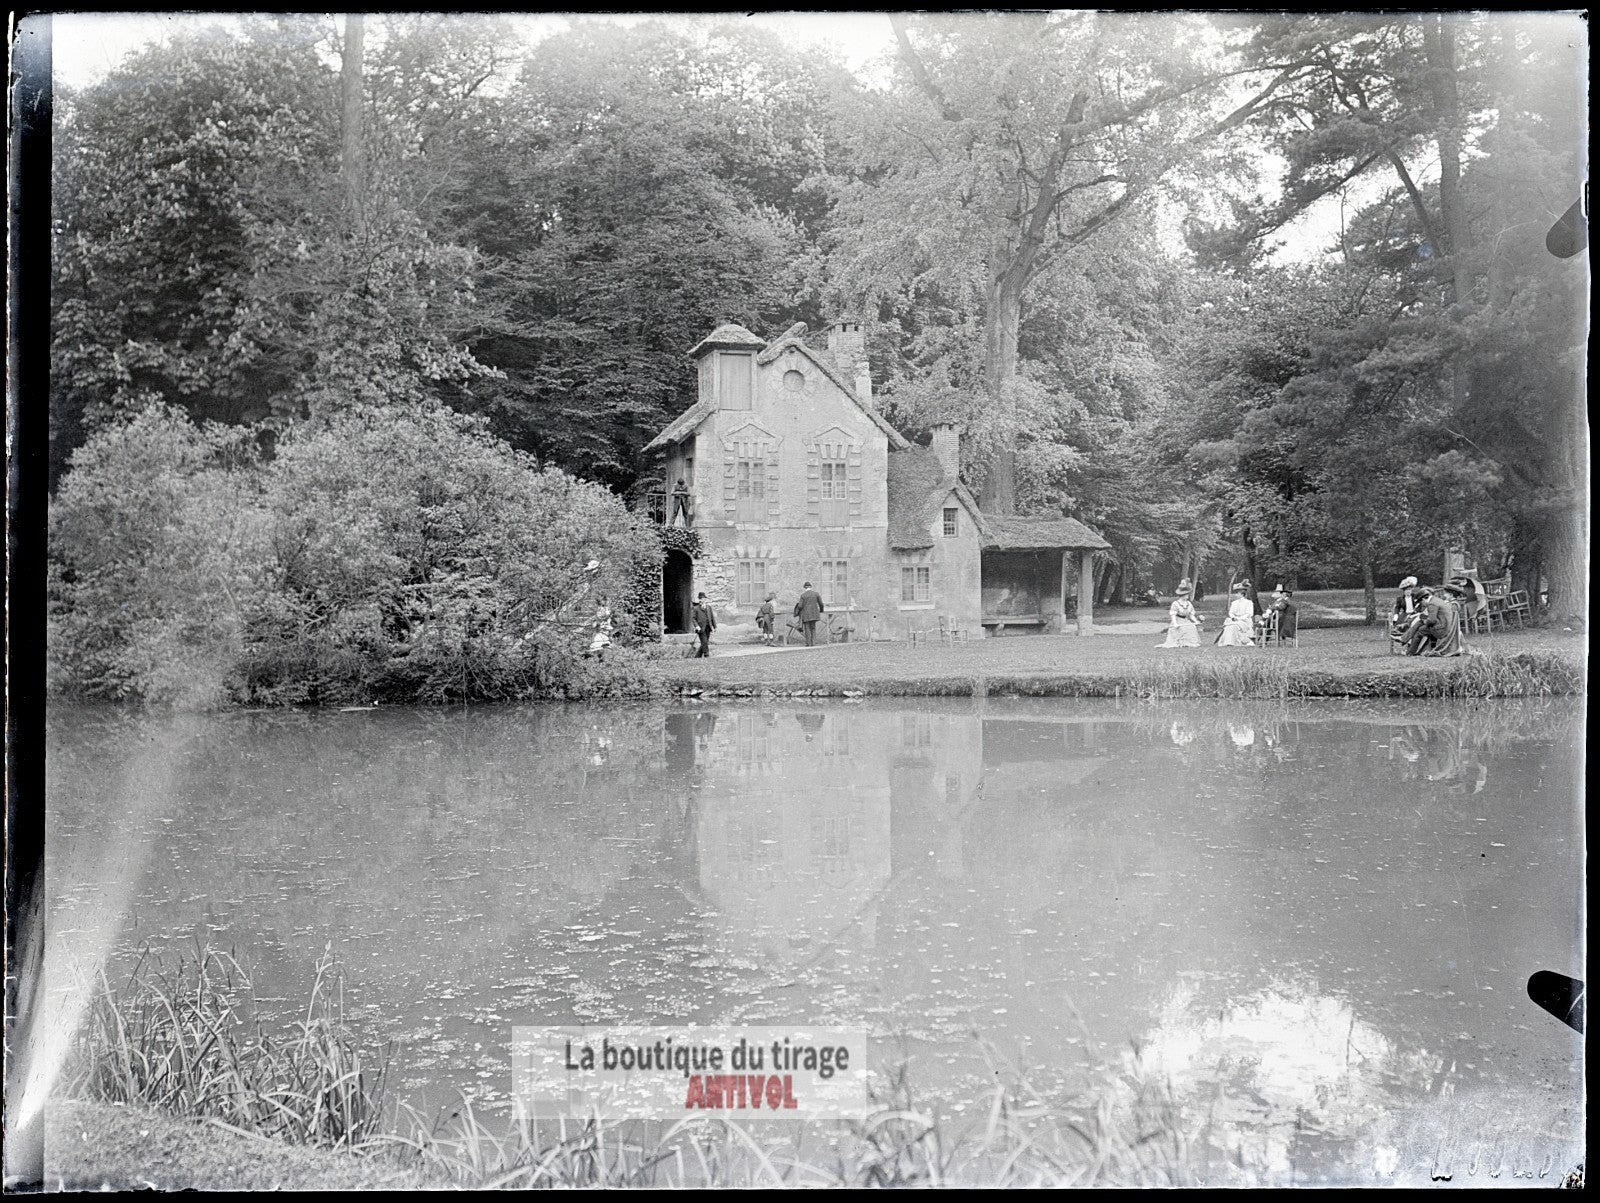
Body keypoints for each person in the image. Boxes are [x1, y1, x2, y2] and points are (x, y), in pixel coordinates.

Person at [1156, 578, 1202, 648]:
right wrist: (1175, 623)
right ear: (1182, 595)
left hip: (1186, 621)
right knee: (1180, 629)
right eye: (1186, 594)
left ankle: (1188, 642)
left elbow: (1191, 614)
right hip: (1178, 621)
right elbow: (1173, 615)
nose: (1187, 596)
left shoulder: (1188, 603)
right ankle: (1179, 642)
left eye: (1188, 594)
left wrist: (1196, 621)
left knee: (1192, 627)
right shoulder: (1176, 603)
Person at [1216, 581, 1256, 646]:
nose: (1236, 595)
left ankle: (1235, 641)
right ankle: (1228, 642)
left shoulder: (1249, 603)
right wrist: (1233, 617)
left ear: (1242, 594)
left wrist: (1240, 618)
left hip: (1245, 621)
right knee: (1229, 626)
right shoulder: (1234, 603)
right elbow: (1231, 612)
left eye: (1237, 593)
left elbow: (1249, 614)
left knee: (1234, 626)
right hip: (1235, 620)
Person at [794, 580, 825, 647]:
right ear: (811, 587)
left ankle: (808, 643)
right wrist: (821, 610)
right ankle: (813, 643)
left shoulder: (803, 595)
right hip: (814, 614)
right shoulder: (816, 594)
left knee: (807, 629)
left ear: (805, 587)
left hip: (806, 614)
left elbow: (800, 606)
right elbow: (821, 604)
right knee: (813, 628)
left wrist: (798, 610)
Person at [691, 592, 716, 658]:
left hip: (708, 627)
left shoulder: (708, 607)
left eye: (702, 598)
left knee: (705, 643)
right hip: (700, 628)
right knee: (704, 642)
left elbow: (712, 617)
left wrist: (714, 626)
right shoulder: (696, 608)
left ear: (705, 599)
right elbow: (693, 619)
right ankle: (706, 655)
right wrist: (697, 626)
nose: (701, 600)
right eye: (700, 598)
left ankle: (697, 656)